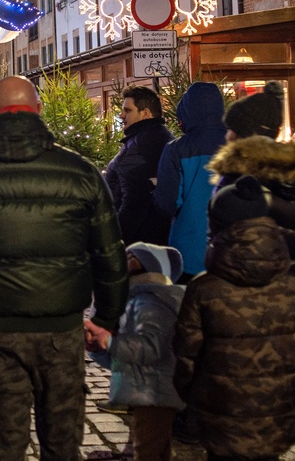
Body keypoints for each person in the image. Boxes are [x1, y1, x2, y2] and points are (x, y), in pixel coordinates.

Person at [0, 76, 128, 460]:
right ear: (37, 112)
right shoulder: (78, 171)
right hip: (61, 331)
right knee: (63, 443)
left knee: (3, 445)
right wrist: (106, 318)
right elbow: (110, 254)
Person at [173, 175, 295, 461]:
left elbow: (185, 357)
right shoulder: (290, 284)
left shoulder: (205, 289)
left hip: (220, 414)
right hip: (277, 415)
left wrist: (193, 400)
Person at [85, 242, 185, 461]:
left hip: (156, 391)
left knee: (149, 446)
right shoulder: (138, 298)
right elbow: (126, 357)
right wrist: (101, 347)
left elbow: (150, 347)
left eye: (132, 258)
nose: (124, 262)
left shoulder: (151, 301)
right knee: (150, 441)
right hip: (147, 388)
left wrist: (109, 341)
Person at [207, 83, 295, 256]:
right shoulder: (285, 171)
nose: (227, 136)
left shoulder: (238, 177)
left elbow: (224, 241)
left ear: (244, 134)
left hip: (243, 272)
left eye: (232, 129)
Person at [154, 82, 226, 281]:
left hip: (188, 252)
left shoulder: (176, 149)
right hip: (232, 250)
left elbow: (167, 204)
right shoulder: (240, 146)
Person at [104, 86, 173, 246]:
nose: (121, 115)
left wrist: (113, 239)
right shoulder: (149, 137)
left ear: (146, 113)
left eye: (127, 110)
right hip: (149, 236)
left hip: (138, 242)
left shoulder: (142, 145)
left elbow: (134, 200)